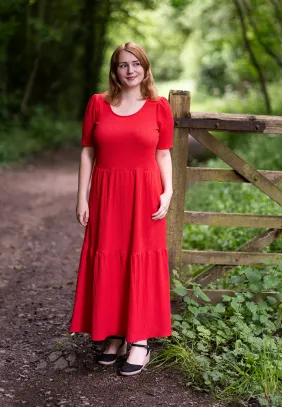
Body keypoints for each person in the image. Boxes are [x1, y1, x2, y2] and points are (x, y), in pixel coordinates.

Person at [70, 42, 174, 376]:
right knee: (110, 259)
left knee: (139, 260)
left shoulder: (159, 107)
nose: (129, 71)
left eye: (135, 64)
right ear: (114, 71)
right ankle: (114, 335)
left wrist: (168, 192)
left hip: (144, 196)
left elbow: (163, 154)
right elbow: (88, 150)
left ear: (145, 67)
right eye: (122, 65)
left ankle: (140, 340)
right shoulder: (98, 104)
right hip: (106, 194)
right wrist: (82, 196)